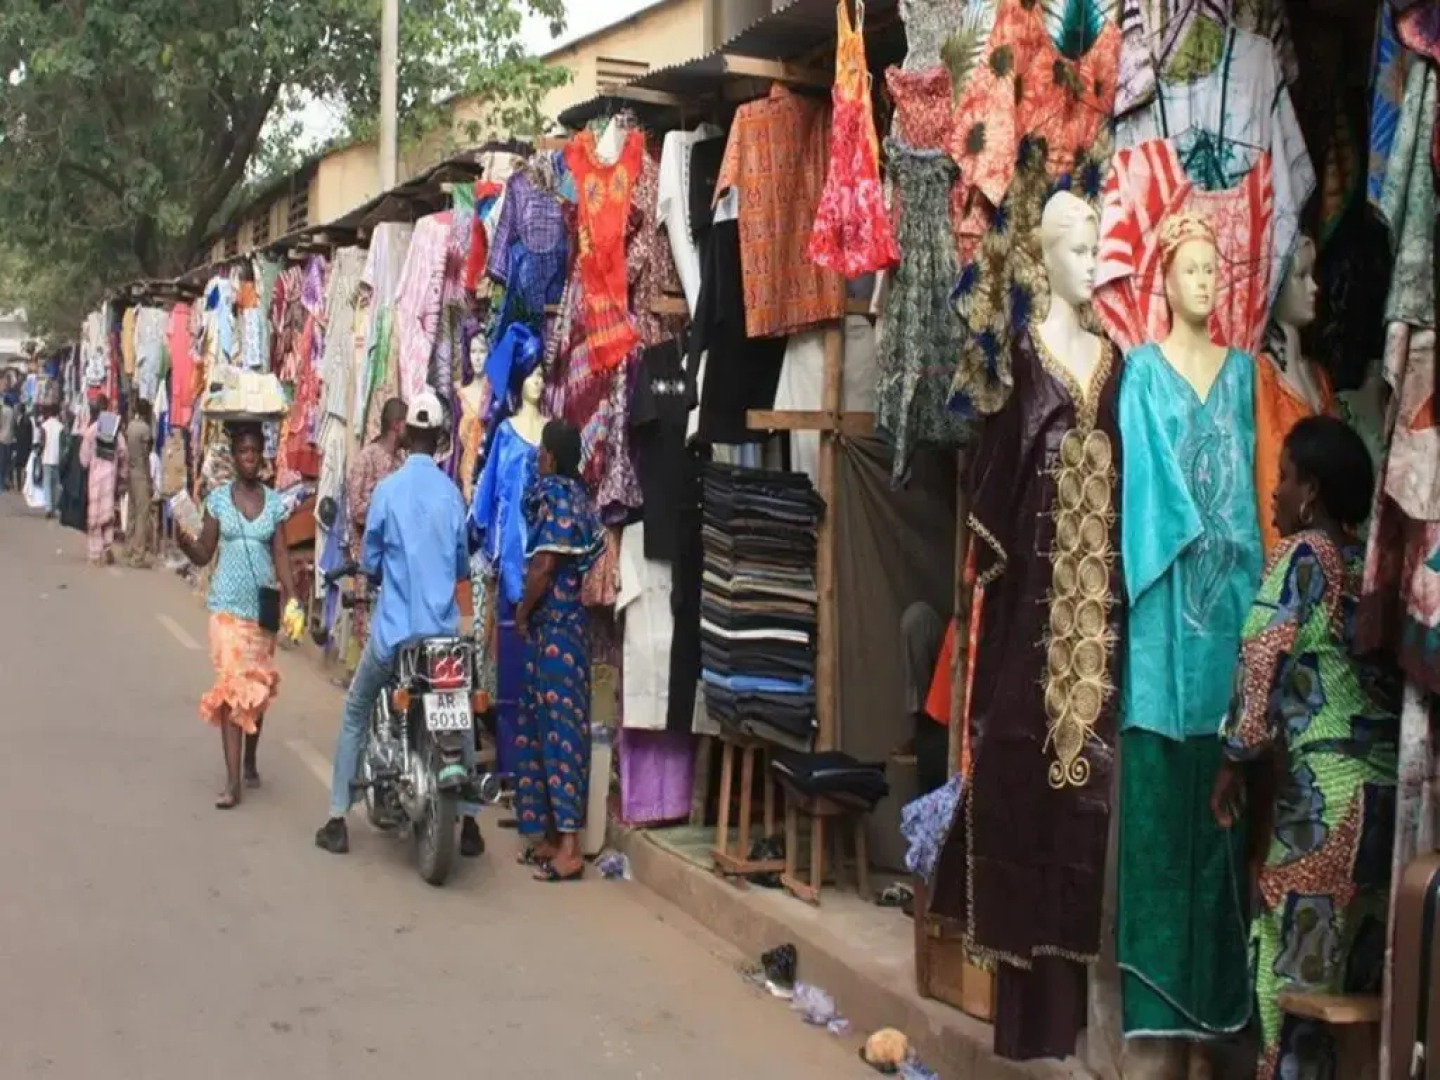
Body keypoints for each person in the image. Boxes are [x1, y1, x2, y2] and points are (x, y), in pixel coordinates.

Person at [1212, 416, 1399, 1080]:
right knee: (1355, 986)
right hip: (1385, 807)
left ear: (1311, 489)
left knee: (1291, 987)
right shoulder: (1370, 561)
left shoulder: (1303, 556)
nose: (1274, 491)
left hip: (1324, 808)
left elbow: (1261, 652)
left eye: (1285, 477)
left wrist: (1234, 758)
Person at [316, 391, 484, 857]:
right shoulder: (452, 496)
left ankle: (336, 818)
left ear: (407, 436)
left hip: (395, 635)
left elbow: (370, 558)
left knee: (355, 709)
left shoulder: (388, 491)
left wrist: (378, 568)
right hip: (444, 637)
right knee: (460, 714)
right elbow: (459, 567)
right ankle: (470, 825)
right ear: (441, 440)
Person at [176, 423, 296, 809]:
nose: (248, 458)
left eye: (253, 452)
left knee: (256, 690)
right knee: (231, 690)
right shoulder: (219, 502)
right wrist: (185, 544)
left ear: (261, 457)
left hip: (262, 609)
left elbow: (281, 553)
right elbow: (205, 552)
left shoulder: (275, 502)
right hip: (227, 609)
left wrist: (292, 598)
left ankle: (250, 760)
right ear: (234, 455)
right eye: (242, 452)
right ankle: (232, 784)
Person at [513, 420, 603, 882]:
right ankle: (550, 836)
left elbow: (544, 566)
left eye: (542, 450)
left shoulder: (556, 497)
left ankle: (569, 849)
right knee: (542, 728)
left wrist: (523, 611)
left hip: (558, 631)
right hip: (560, 630)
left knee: (561, 734)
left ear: (549, 455)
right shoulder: (576, 496)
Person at [342, 397, 407, 668]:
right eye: (407, 425)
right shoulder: (367, 458)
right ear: (396, 425)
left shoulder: (402, 461)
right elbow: (355, 506)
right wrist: (383, 513)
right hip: (367, 552)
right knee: (364, 615)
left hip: (395, 556)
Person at [77, 397, 128, 565]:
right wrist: (122, 472)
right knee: (107, 513)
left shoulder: (91, 430)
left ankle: (95, 553)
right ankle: (107, 547)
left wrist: (88, 464)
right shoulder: (114, 428)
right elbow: (123, 452)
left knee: (95, 514)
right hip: (110, 476)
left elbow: (84, 458)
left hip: (95, 477)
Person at [124, 400, 156, 567]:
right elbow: (146, 455)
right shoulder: (145, 429)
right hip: (141, 474)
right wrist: (150, 479)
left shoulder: (130, 426)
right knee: (142, 515)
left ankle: (128, 548)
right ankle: (138, 555)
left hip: (130, 472)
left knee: (131, 511)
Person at [39, 406, 64, 517]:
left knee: (47, 484)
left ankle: (48, 507)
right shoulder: (61, 427)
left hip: (46, 458)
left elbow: (42, 442)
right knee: (56, 484)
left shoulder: (44, 426)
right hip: (57, 459)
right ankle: (54, 507)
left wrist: (39, 453)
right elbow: (63, 444)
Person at [13, 402, 32, 493]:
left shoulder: (21, 420)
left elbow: (18, 433)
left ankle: (20, 485)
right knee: (24, 467)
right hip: (26, 447)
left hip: (20, 446)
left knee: (19, 466)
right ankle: (23, 485)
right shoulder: (27, 420)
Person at [0, 393, 15, 491]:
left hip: (1, 438)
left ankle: (1, 485)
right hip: (10, 439)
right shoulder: (13, 411)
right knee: (7, 463)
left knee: (1, 463)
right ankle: (6, 482)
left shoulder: (2, 411)